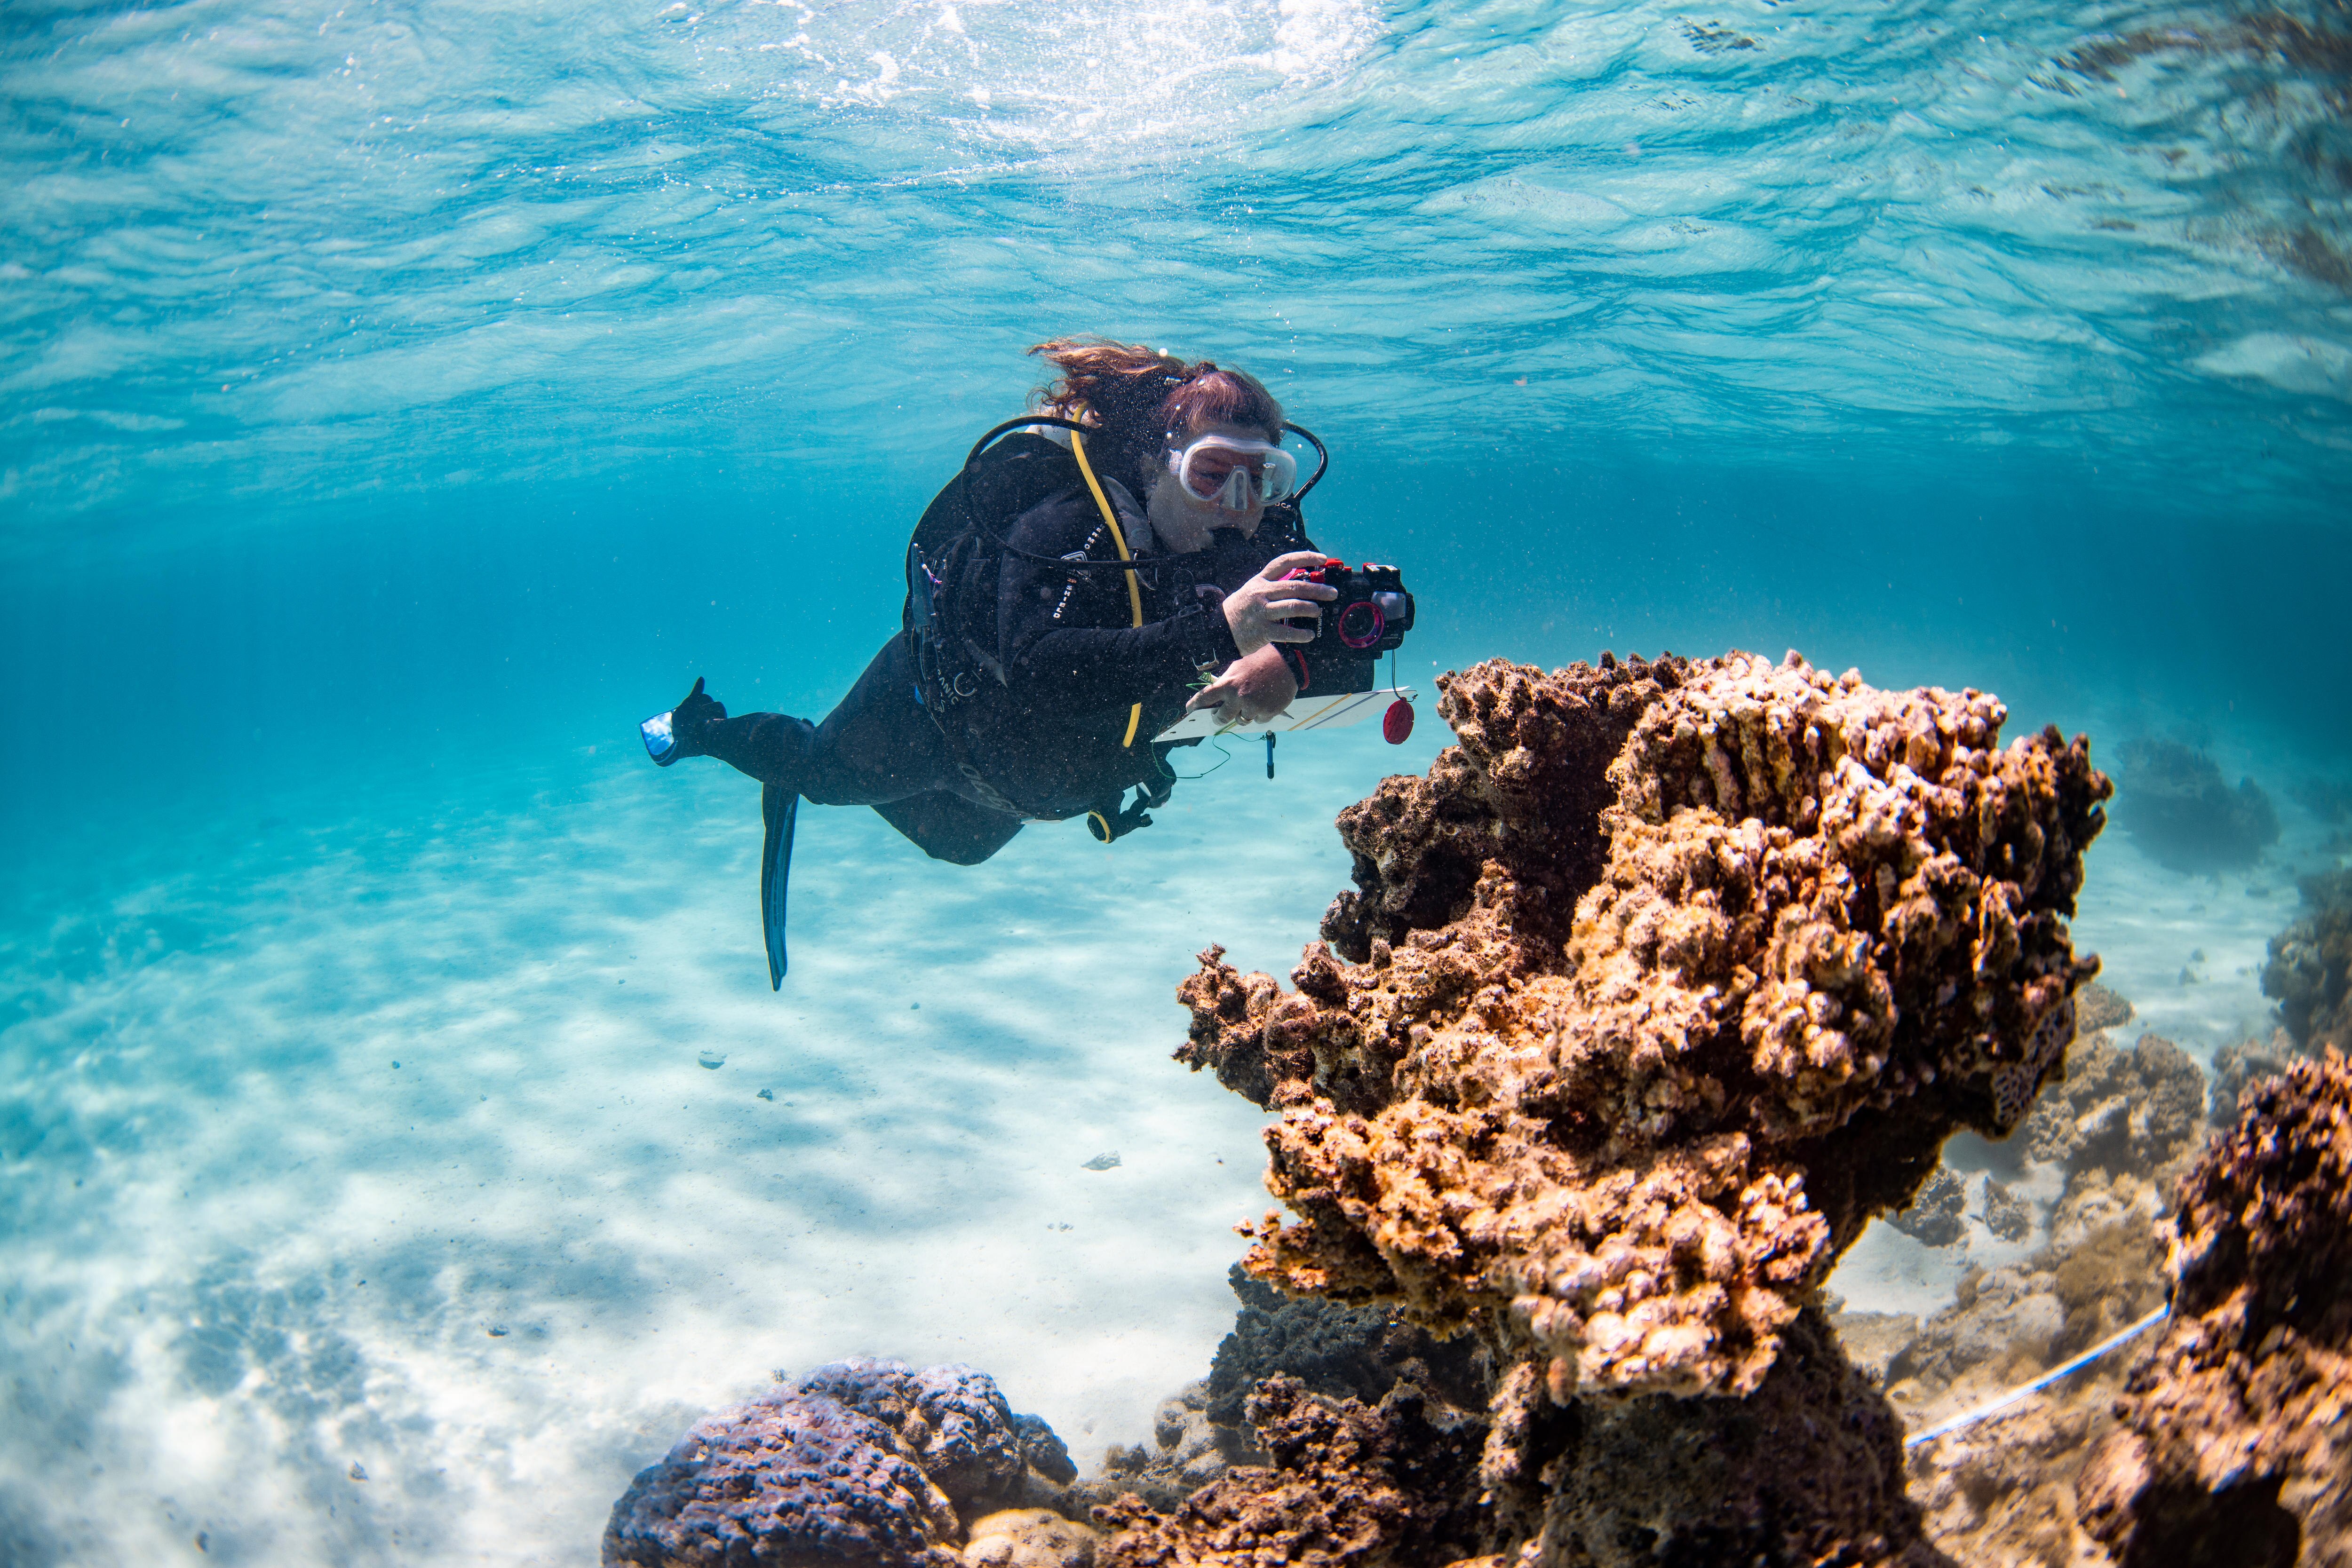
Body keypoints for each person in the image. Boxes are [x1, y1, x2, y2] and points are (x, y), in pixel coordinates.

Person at [643, 337, 1343, 983]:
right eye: (1210, 474)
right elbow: (1043, 669)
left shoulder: (1258, 537)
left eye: (1264, 479)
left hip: (1037, 781)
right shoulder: (1071, 525)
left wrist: (1291, 665)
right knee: (823, 773)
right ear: (1156, 463)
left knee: (959, 847)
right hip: (934, 721)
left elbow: (1355, 633)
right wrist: (1221, 630)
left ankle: (795, 755)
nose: (1239, 505)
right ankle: (705, 729)